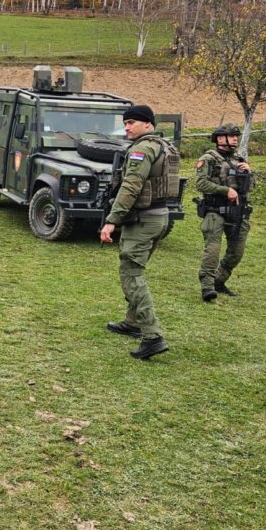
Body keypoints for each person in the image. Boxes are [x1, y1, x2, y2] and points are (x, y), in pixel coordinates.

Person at [99, 104, 180, 360]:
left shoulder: (142, 149)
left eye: (132, 122)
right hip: (159, 216)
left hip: (144, 219)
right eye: (125, 122)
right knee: (135, 269)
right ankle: (133, 322)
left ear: (148, 124)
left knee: (132, 273)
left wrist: (112, 220)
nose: (126, 127)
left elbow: (131, 186)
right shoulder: (164, 146)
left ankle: (152, 336)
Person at [195, 123, 253, 302]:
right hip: (215, 210)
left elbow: (250, 187)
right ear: (220, 138)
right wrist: (224, 190)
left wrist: (249, 173)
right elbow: (200, 183)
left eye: (236, 136)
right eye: (232, 135)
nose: (236, 138)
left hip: (238, 211)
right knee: (213, 248)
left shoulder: (239, 159)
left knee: (237, 251)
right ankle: (207, 286)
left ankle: (219, 281)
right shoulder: (209, 159)